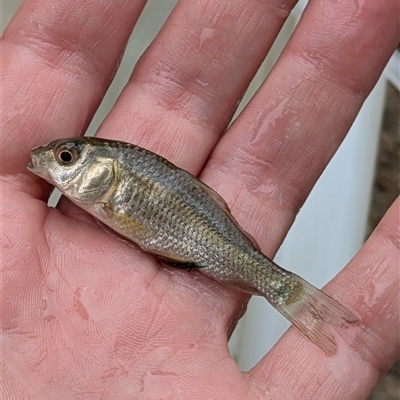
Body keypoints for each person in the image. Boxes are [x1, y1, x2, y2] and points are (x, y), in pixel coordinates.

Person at [1, 0, 399, 398]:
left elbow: (141, 228)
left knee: (267, 277)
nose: (52, 164)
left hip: (211, 245)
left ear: (106, 172)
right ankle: (286, 290)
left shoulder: (115, 192)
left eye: (66, 159)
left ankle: (285, 289)